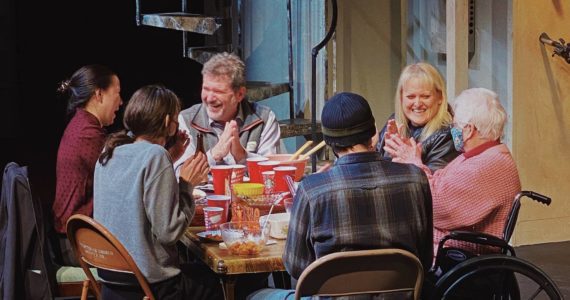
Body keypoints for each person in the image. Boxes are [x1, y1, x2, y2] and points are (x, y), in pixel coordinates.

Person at [248, 92, 434, 300]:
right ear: (373, 131)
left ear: (329, 142)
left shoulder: (312, 190)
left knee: (255, 296)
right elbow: (425, 260)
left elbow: (297, 266)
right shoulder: (415, 179)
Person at [93, 84, 222, 299]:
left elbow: (135, 183)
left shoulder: (110, 150)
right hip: (151, 285)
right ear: (167, 123)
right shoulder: (155, 156)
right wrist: (186, 186)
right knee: (222, 280)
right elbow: (169, 232)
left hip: (113, 282)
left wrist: (170, 156)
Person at [384, 88, 521, 256]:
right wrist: (407, 158)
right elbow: (439, 182)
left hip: (453, 250)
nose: (453, 130)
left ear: (469, 129)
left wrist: (414, 163)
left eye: (456, 125)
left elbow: (437, 206)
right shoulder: (480, 155)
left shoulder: (487, 165)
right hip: (448, 244)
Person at [53, 64, 122, 265]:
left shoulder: (83, 124)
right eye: (117, 93)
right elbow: (124, 179)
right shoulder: (87, 134)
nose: (121, 102)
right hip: (78, 244)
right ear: (99, 94)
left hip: (77, 236)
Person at [175, 52, 281, 168]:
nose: (209, 99)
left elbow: (271, 173)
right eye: (206, 89)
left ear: (240, 94)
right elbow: (180, 175)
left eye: (218, 91)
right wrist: (214, 155)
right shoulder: (186, 119)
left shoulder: (264, 119)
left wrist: (242, 156)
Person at [377, 62, 459, 172]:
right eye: (410, 97)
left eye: (425, 96)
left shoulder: (447, 135)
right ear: (401, 98)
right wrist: (386, 153)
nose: (417, 103)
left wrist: (411, 162)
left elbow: (434, 185)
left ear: (440, 97)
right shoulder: (395, 122)